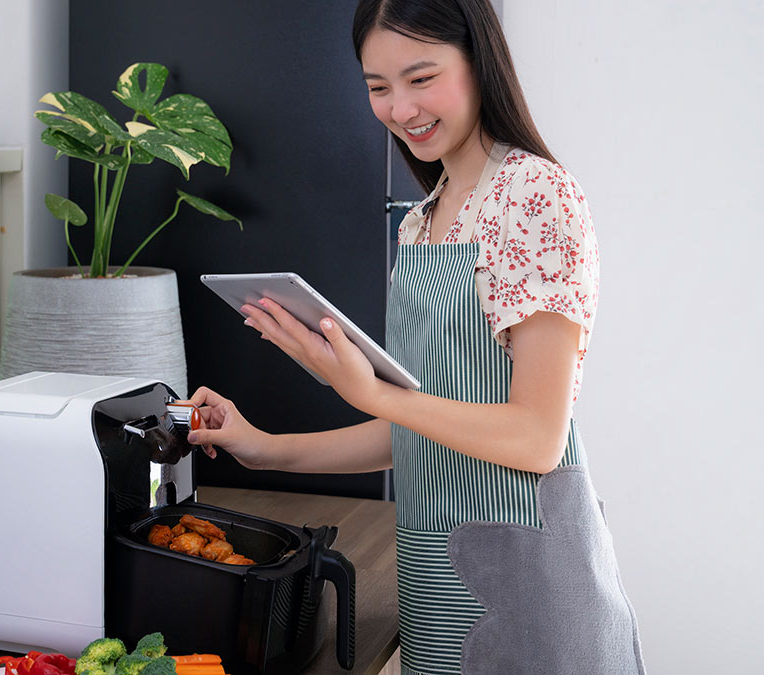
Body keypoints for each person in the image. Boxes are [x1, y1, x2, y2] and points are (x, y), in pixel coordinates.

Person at [180, 1, 645, 673]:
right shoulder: (420, 223)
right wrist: (262, 448)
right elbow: (421, 434)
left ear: (479, 61)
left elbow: (537, 437)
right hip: (433, 581)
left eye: (421, 78)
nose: (400, 109)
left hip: (530, 590)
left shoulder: (535, 196)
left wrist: (370, 391)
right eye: (378, 87)